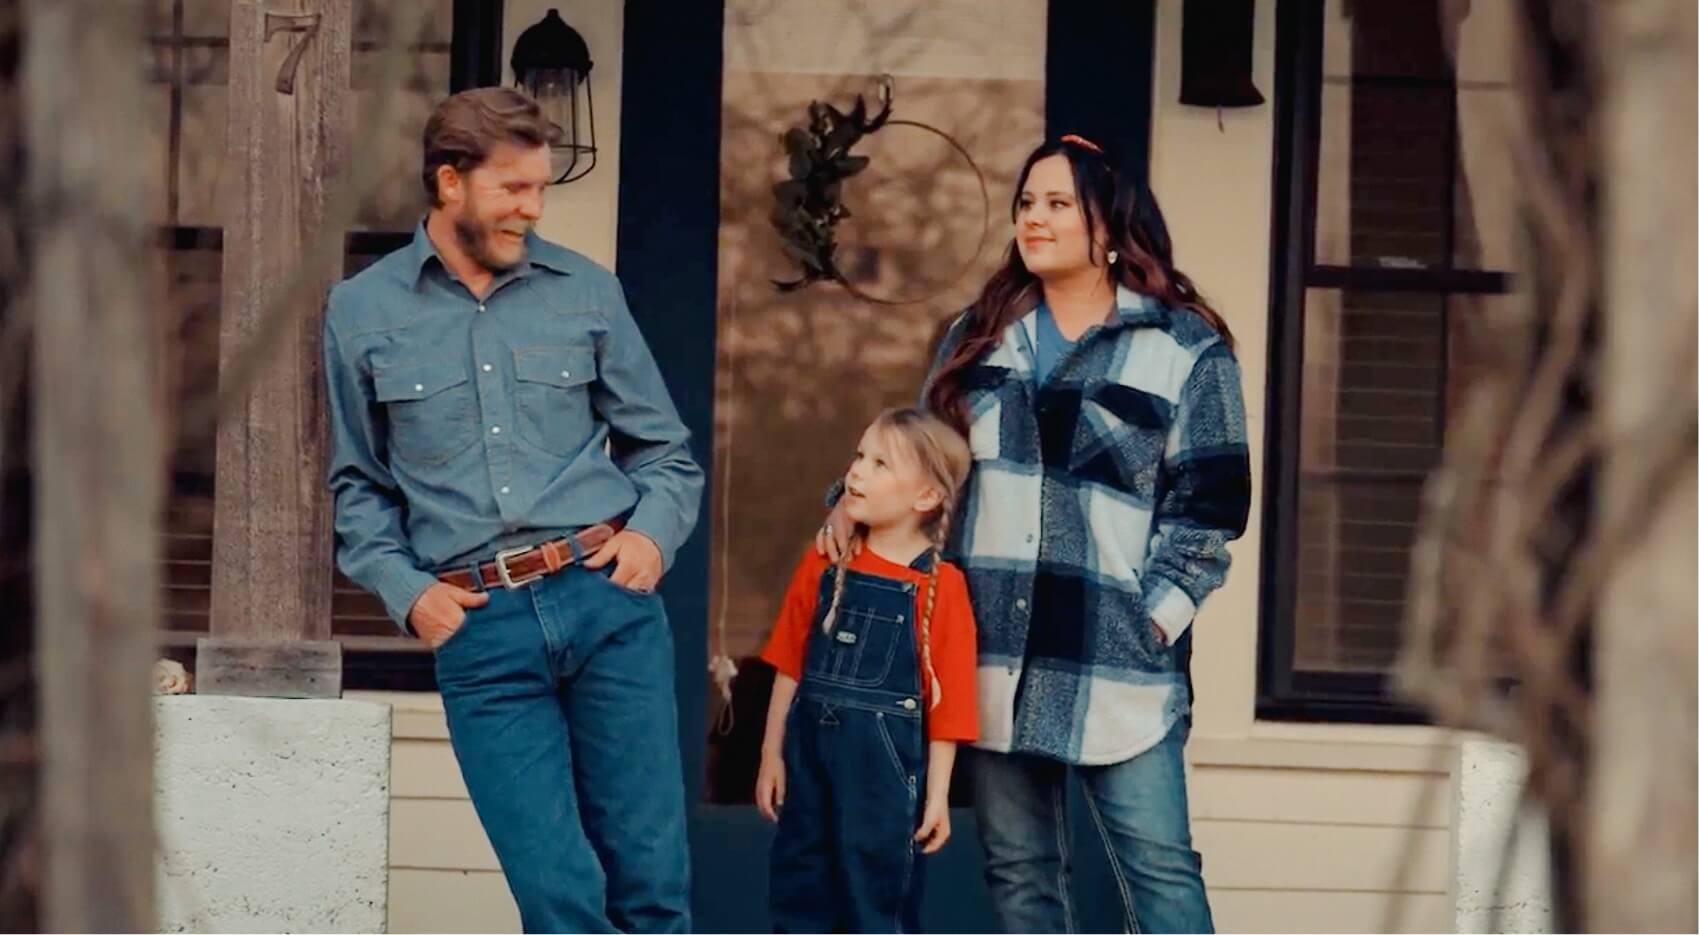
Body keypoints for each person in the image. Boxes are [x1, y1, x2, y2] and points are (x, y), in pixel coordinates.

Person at [820, 135, 1251, 933]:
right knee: (1019, 877)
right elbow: (927, 463)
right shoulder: (975, 335)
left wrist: (1151, 617)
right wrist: (850, 502)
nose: (1033, 219)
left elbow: (1211, 504)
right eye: (1025, 203)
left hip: (1118, 666)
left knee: (1159, 875)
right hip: (987, 653)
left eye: (1057, 204)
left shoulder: (1184, 348)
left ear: (1109, 227)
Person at [322, 87, 703, 934]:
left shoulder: (587, 292)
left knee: (649, 882)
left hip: (607, 606)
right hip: (480, 630)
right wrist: (408, 592)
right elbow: (357, 484)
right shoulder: (362, 311)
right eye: (513, 189)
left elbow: (665, 453)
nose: (532, 208)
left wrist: (648, 538)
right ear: (450, 182)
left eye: (540, 189)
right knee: (556, 894)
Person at [758, 408, 980, 933]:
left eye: (880, 464)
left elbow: (949, 704)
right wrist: (770, 752)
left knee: (875, 901)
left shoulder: (941, 587)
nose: (856, 472)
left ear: (925, 496)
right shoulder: (823, 563)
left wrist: (939, 795)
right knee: (801, 894)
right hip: (808, 764)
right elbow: (789, 663)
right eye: (860, 456)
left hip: (885, 778)